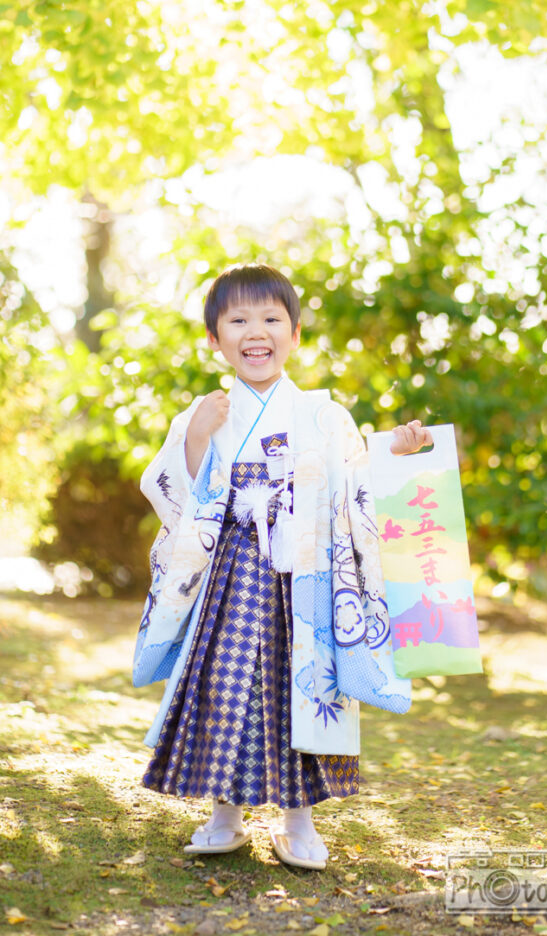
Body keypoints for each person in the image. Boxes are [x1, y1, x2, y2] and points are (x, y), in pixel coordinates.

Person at [132, 264, 432, 870]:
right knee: (222, 688)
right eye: (238, 320)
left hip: (306, 578)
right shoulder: (206, 411)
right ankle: (224, 814)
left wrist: (394, 452)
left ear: (293, 334)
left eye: (271, 318)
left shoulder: (324, 416)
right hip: (231, 570)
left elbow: (354, 481)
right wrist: (196, 439)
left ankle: (299, 822)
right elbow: (173, 492)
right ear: (214, 338)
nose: (255, 330)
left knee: (300, 692)